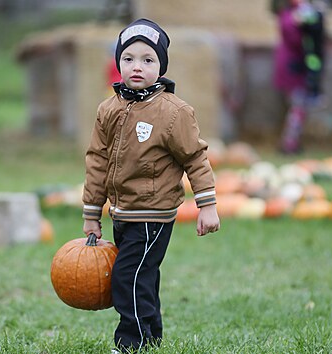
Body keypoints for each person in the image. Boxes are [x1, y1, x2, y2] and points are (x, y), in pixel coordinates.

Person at [81, 18, 220, 353]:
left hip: (153, 214)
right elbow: (97, 162)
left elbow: (195, 159)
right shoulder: (108, 110)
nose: (137, 67)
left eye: (148, 60)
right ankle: (152, 336)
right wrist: (91, 215)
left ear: (161, 65)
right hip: (121, 212)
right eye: (128, 59)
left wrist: (207, 206)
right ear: (118, 63)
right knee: (142, 278)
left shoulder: (173, 113)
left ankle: (132, 343)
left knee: (126, 278)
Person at [272, 0, 325, 154]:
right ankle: (289, 143)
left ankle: (292, 141)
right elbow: (294, 38)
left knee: (299, 107)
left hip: (299, 67)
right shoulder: (289, 16)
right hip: (292, 67)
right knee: (297, 107)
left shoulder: (299, 13)